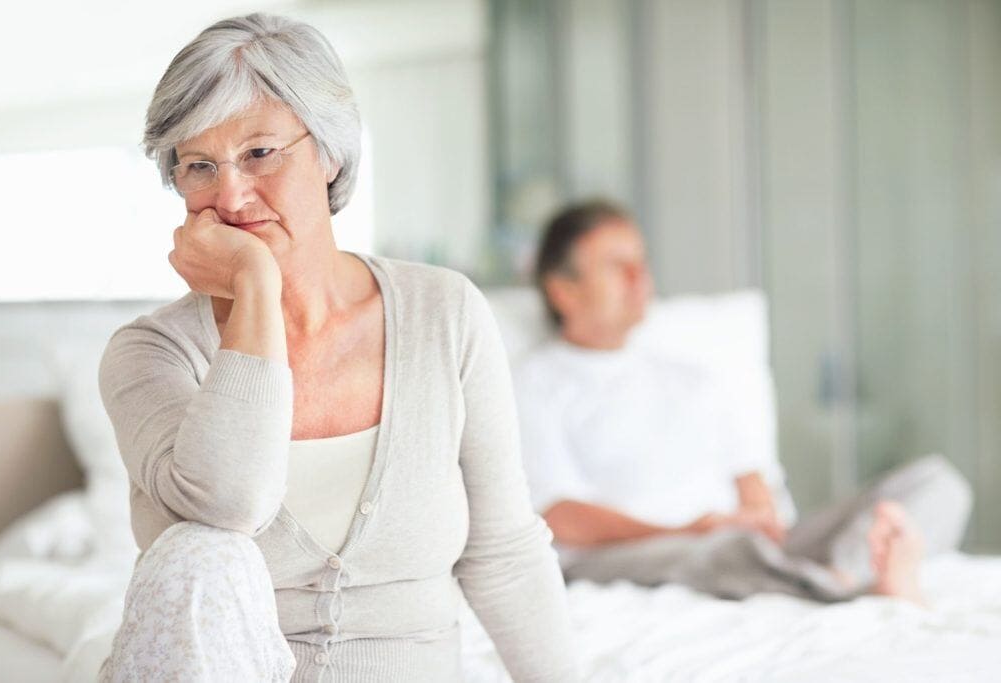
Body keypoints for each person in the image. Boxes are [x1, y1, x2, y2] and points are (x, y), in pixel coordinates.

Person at [96, 13, 576, 682]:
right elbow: (232, 502)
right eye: (199, 165)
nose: (230, 195)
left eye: (260, 152)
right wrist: (257, 287)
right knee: (199, 555)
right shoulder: (148, 354)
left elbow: (504, 553)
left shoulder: (446, 313)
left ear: (330, 152)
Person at [513, 198, 973, 605]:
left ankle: (849, 572)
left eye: (642, 263)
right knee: (724, 552)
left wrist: (757, 517)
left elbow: (750, 474)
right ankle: (848, 585)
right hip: (633, 553)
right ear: (562, 290)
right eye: (617, 266)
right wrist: (692, 530)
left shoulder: (691, 377)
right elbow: (557, 514)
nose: (639, 279)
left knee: (937, 483)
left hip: (738, 541)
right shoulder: (531, 385)